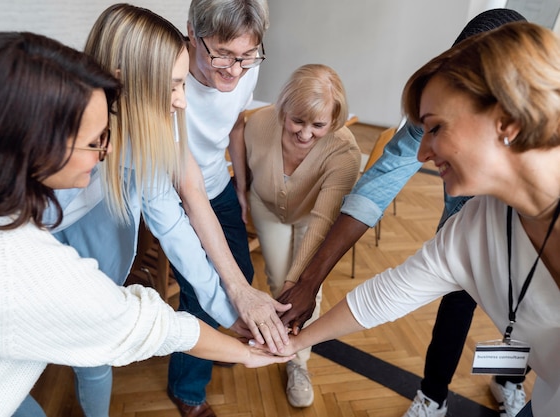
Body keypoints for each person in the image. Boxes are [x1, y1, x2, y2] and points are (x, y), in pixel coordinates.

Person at [0, 31, 292, 417]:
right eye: (94, 142)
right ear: (36, 147)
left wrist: (232, 305)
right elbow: (140, 325)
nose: (104, 152)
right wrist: (245, 353)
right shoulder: (18, 261)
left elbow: (174, 225)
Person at [279, 20, 560, 417]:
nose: (423, 153)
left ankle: (509, 379)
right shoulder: (472, 227)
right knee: (473, 312)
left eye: (436, 129)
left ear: (508, 117)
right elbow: (388, 292)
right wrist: (294, 339)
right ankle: (434, 395)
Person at [166, 1, 273, 415]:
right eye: (223, 55)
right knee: (200, 291)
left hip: (218, 182)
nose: (234, 70)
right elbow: (186, 188)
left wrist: (241, 188)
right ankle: (187, 389)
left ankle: (210, 343)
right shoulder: (168, 78)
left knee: (242, 274)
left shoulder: (247, 62)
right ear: (193, 32)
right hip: (175, 192)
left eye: (246, 57)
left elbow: (236, 124)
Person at [233, 64, 361, 407]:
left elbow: (322, 221)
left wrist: (302, 283)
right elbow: (239, 149)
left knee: (304, 290)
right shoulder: (259, 122)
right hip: (266, 207)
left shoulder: (344, 153)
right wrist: (243, 192)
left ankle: (299, 362)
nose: (305, 134)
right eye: (297, 122)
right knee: (277, 282)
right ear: (283, 109)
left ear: (333, 121)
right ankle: (287, 350)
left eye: (318, 125)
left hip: (313, 216)